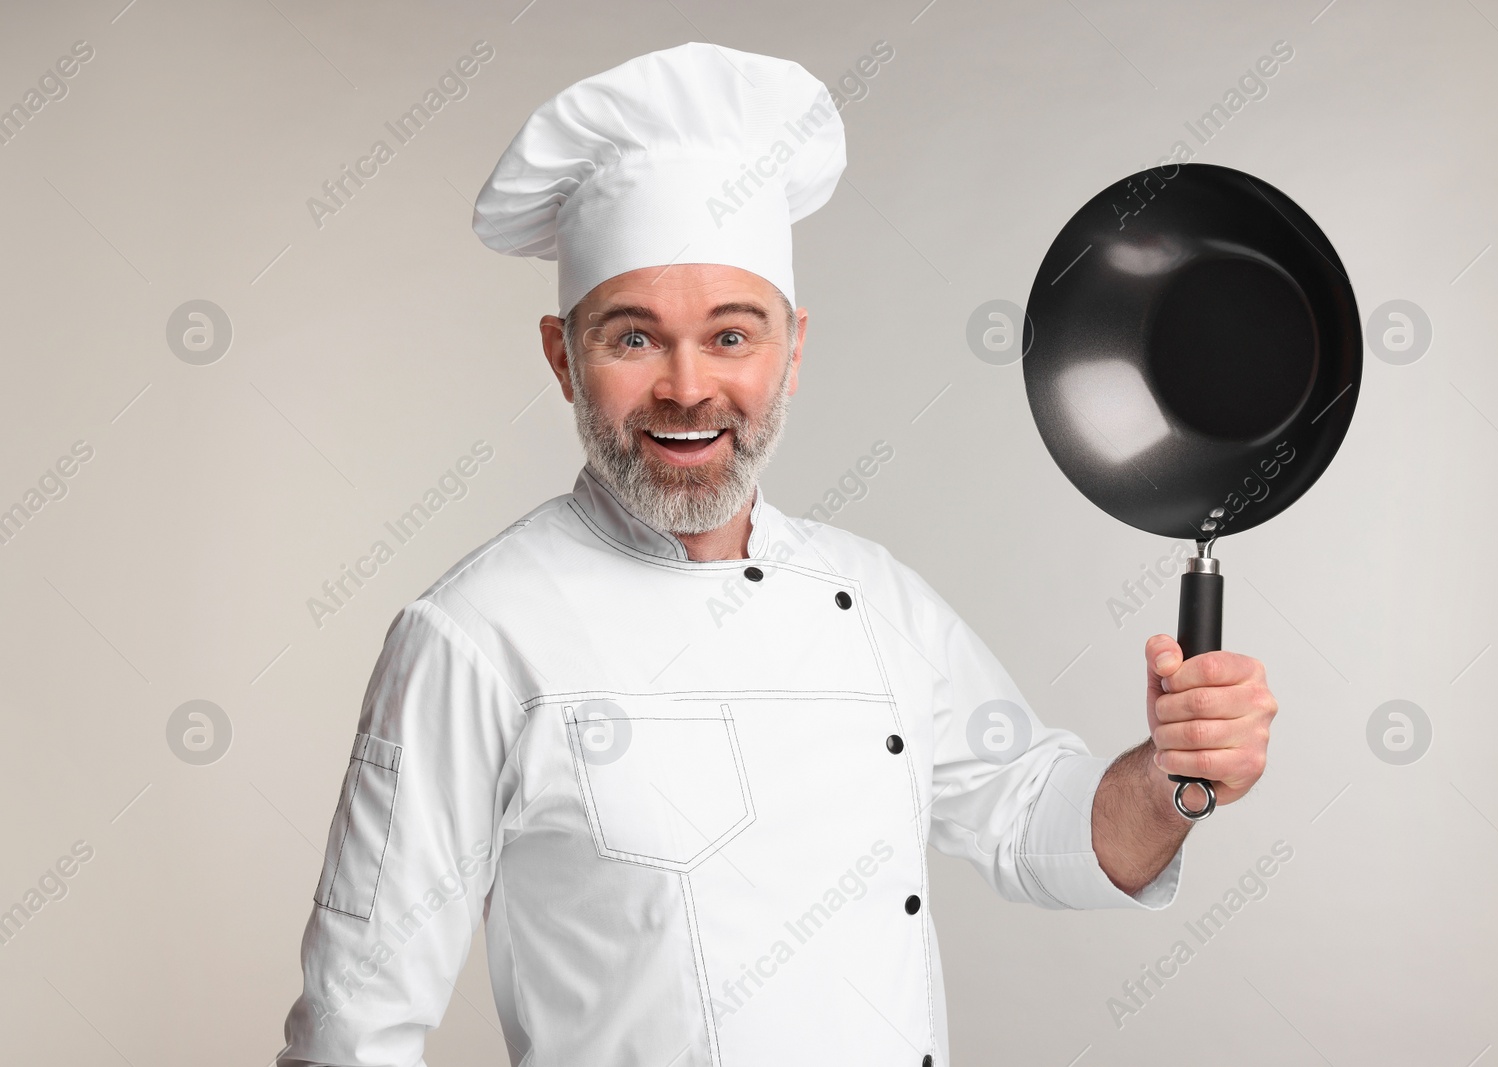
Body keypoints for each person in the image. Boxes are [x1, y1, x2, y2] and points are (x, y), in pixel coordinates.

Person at [275, 41, 1277, 1067]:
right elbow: (355, 1028)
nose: (685, 387)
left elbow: (1036, 822)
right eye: (631, 338)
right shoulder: (475, 638)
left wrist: (1170, 775)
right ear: (561, 358)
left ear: (792, 351)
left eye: (730, 335)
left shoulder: (875, 596)